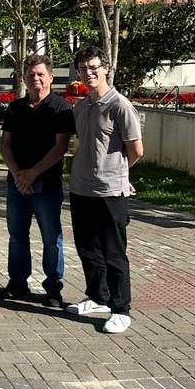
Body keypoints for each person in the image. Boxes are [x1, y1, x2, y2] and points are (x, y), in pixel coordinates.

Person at [66, 45, 143, 334]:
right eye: (84, 69)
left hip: (110, 192)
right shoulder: (82, 107)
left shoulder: (119, 105)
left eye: (94, 67)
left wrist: (120, 174)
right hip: (81, 189)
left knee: (114, 252)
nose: (89, 73)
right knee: (87, 248)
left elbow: (136, 150)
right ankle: (98, 297)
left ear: (105, 68)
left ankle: (121, 309)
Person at [0, 53, 74, 308]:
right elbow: (5, 145)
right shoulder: (15, 108)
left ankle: (53, 288)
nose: (36, 79)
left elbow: (60, 147)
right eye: (31, 75)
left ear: (51, 77)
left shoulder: (61, 108)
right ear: (24, 78)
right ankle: (17, 282)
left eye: (41, 74)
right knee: (17, 236)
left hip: (47, 185)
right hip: (17, 183)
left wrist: (32, 173)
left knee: (51, 238)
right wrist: (19, 174)